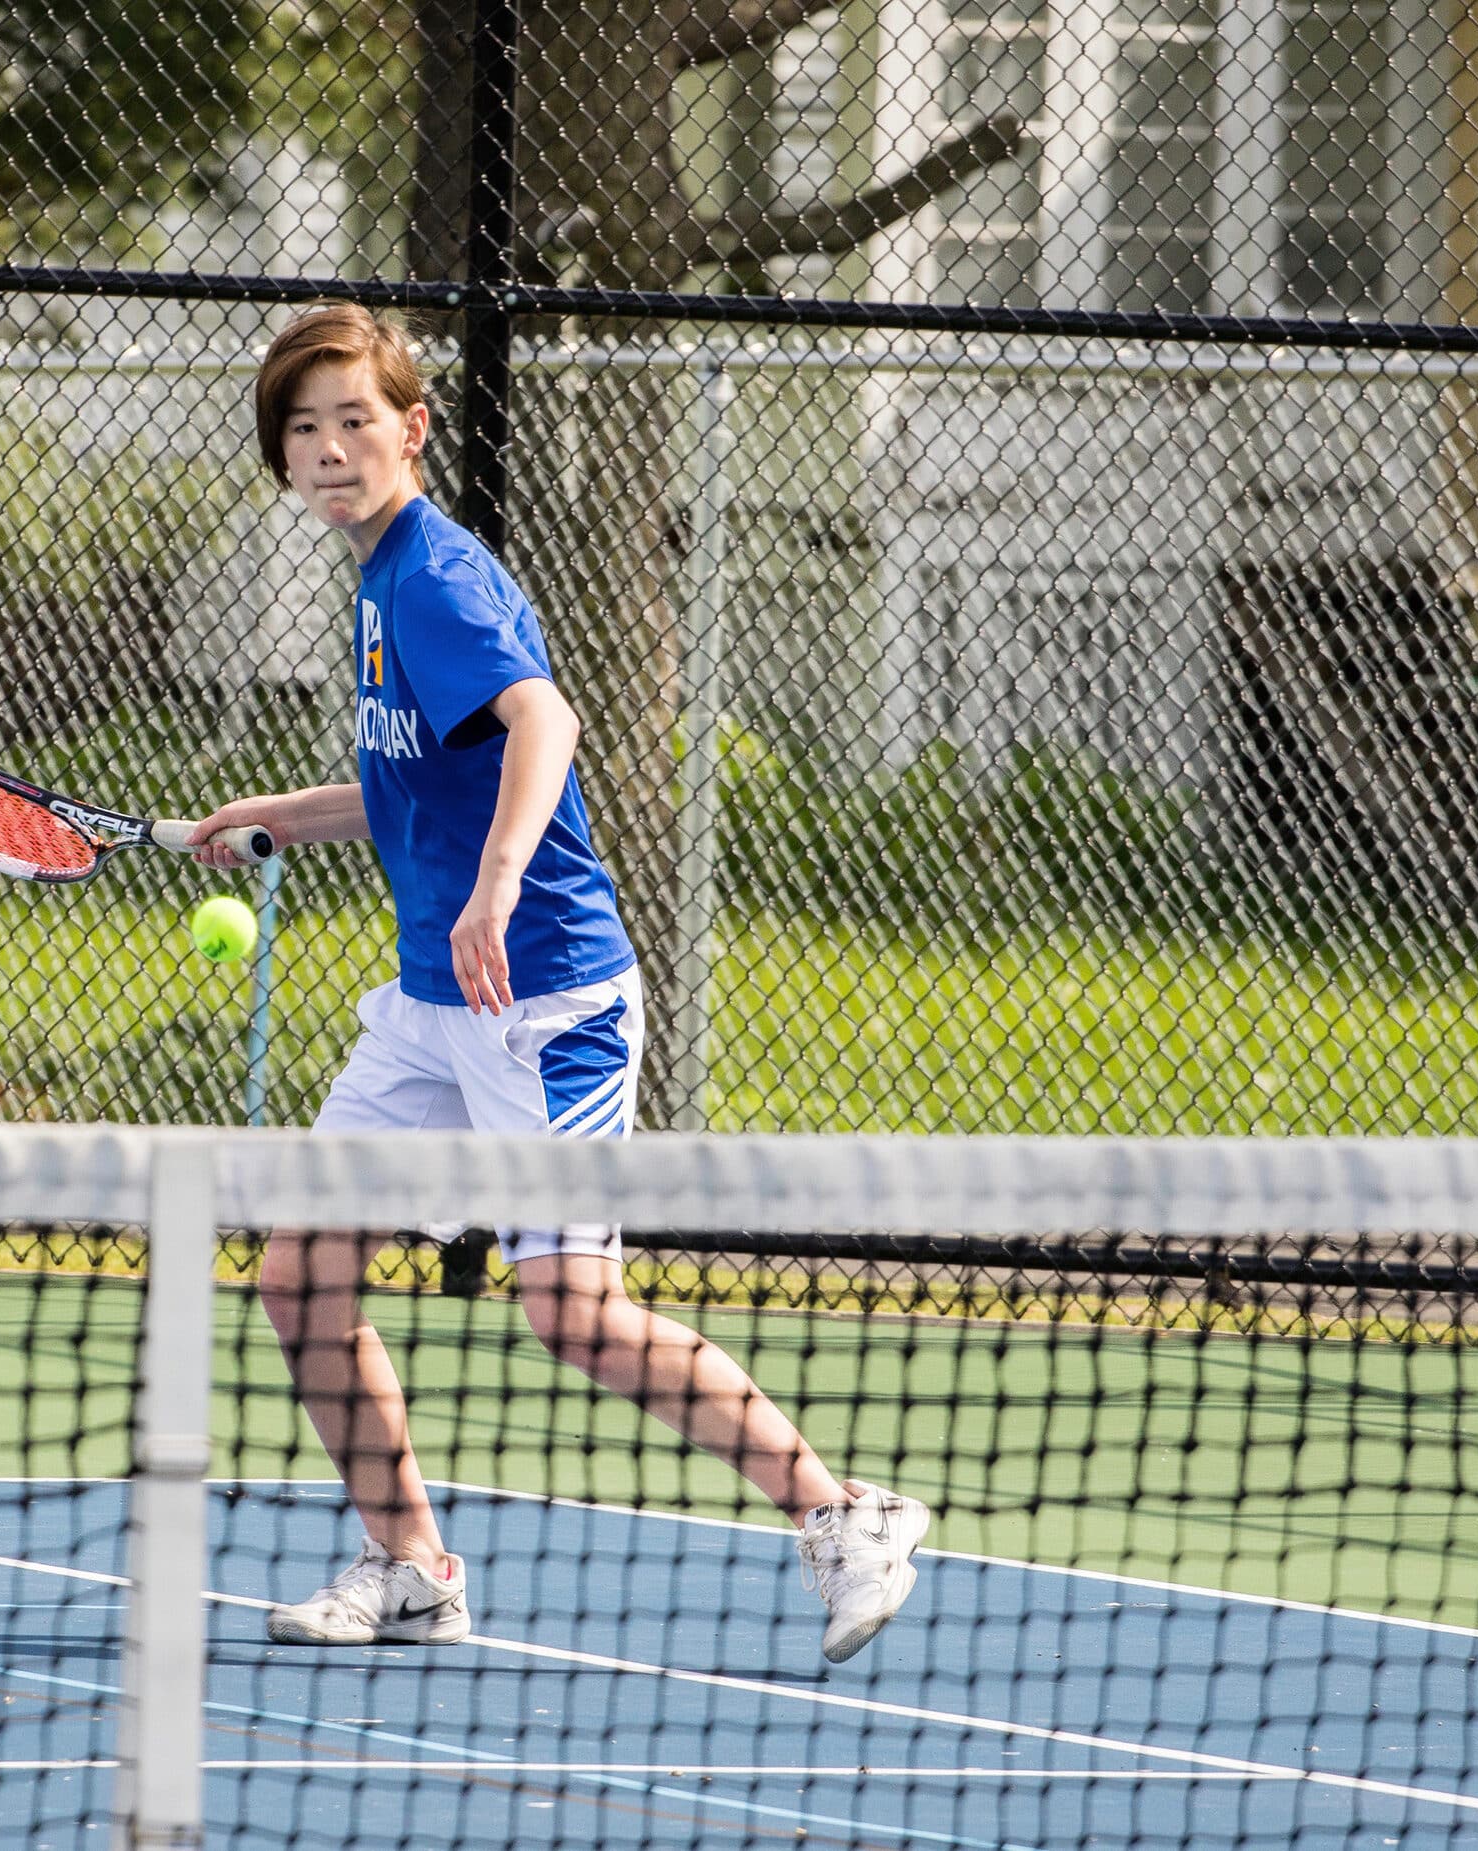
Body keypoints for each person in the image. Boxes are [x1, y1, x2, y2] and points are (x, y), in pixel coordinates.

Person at [187, 303, 927, 1664]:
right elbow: (420, 783)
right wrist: (282, 817)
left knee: (574, 1312)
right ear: (281, 455)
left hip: (548, 1007)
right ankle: (411, 1568)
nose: (332, 447)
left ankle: (844, 1515)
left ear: (412, 430)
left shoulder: (434, 578)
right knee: (303, 1275)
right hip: (431, 1010)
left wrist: (497, 884)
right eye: (305, 427)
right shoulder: (376, 582)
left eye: (356, 420)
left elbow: (547, 718)